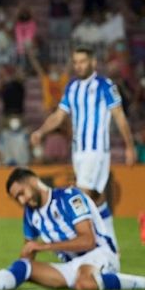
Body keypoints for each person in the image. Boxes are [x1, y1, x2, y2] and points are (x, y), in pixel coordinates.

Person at [0, 168, 145, 290]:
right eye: (17, 199)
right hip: (72, 266)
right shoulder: (31, 214)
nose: (22, 201)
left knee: (84, 283)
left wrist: (43, 246)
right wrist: (26, 256)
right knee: (25, 267)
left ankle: (142, 283)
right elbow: (27, 254)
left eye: (21, 193)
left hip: (101, 255)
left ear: (33, 181)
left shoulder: (69, 197)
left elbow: (88, 241)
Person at [30, 45, 136, 251]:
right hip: (78, 152)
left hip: (95, 151)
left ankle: (78, 247)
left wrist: (129, 147)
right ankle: (111, 246)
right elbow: (59, 116)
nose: (78, 66)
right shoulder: (71, 87)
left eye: (82, 61)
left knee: (81, 197)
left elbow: (119, 116)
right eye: (75, 62)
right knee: (98, 200)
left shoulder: (105, 85)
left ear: (93, 63)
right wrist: (41, 132)